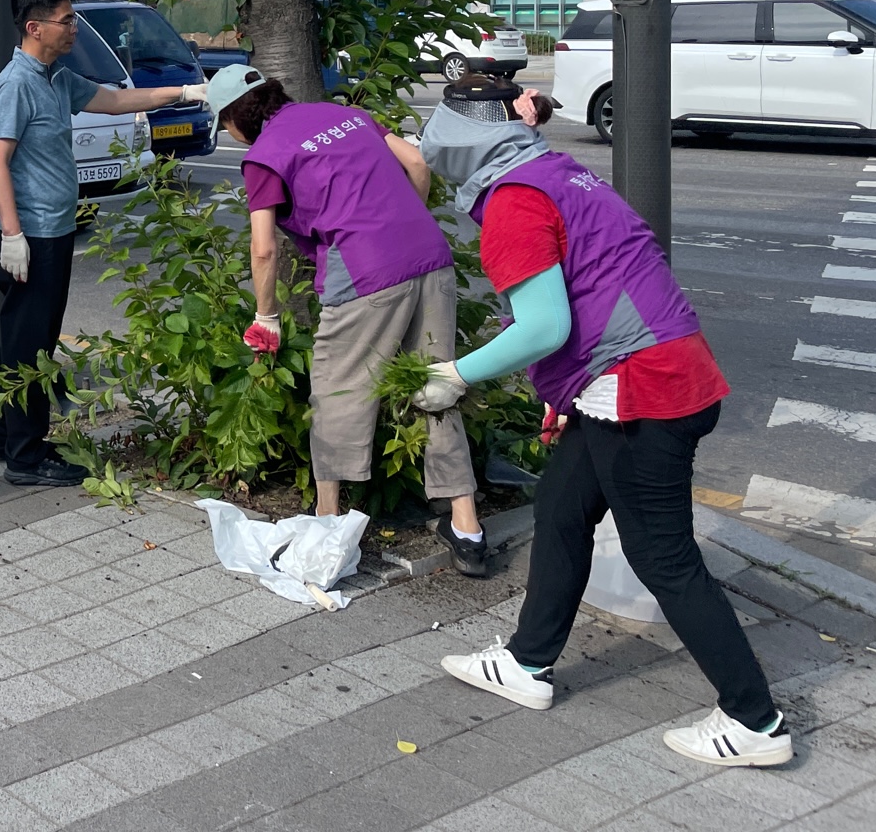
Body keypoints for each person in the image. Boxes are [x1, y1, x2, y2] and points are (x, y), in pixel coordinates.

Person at [413, 75, 790, 768]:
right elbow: (602, 285)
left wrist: (455, 375)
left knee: (663, 557)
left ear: (457, 155)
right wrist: (571, 388)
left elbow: (546, 325)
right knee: (560, 507)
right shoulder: (556, 172)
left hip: (642, 389)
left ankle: (754, 721)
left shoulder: (514, 205)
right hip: (648, 371)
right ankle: (528, 663)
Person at [202, 62, 489, 576]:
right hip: (429, 256)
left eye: (225, 125)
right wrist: (403, 230)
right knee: (437, 384)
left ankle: (329, 517)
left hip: (363, 274)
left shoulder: (264, 157)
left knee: (337, 394)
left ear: (235, 119)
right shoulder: (344, 114)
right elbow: (418, 165)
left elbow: (263, 250)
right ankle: (466, 525)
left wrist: (266, 315)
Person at [0, 0, 208, 487]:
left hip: (55, 231)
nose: (74, 28)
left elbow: (111, 99)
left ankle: (3, 435)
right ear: (34, 27)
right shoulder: (16, 83)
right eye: (66, 20)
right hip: (32, 238)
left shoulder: (56, 76)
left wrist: (185, 91)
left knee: (30, 338)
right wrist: (12, 234)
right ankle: (25, 456)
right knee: (30, 346)